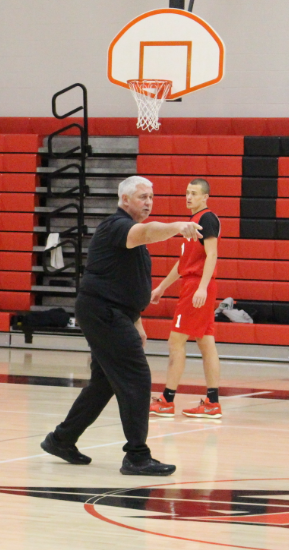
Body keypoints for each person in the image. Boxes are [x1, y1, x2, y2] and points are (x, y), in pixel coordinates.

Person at [40, 176, 203, 476]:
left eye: (151, 197)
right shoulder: (117, 226)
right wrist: (178, 227)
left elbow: (126, 283)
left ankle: (61, 440)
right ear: (124, 200)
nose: (148, 202)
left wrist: (137, 322)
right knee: (137, 377)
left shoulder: (134, 239)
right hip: (103, 312)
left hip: (115, 313)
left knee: (104, 384)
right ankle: (137, 456)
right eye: (142, 197)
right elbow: (148, 231)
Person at [148, 178, 223, 419]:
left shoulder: (206, 218)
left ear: (205, 197)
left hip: (197, 287)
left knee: (175, 342)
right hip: (194, 283)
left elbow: (212, 254)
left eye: (194, 193)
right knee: (206, 342)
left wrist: (201, 287)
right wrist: (161, 287)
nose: (189, 197)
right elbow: (183, 263)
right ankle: (212, 402)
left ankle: (167, 400)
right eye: (187, 193)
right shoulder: (191, 222)